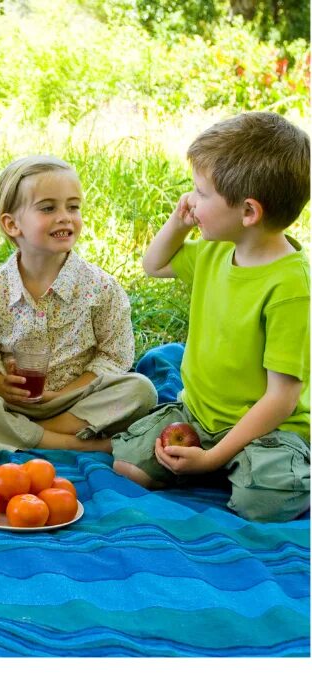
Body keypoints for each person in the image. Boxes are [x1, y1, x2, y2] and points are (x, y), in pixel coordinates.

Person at [111, 112, 310, 522]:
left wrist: (213, 457)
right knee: (128, 465)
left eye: (200, 193)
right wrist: (179, 222)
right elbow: (153, 264)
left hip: (268, 429)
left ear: (249, 212)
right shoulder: (216, 250)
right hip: (198, 415)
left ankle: (251, 466)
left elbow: (281, 398)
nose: (190, 201)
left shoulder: (291, 287)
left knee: (265, 504)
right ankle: (225, 468)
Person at [0, 156, 157, 453]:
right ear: (12, 224)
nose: (65, 217)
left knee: (142, 390)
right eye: (48, 208)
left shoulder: (102, 288)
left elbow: (114, 358)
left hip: (75, 403)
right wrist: (1, 387)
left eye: (73, 206)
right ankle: (76, 444)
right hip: (11, 405)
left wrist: (65, 393)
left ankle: (37, 435)